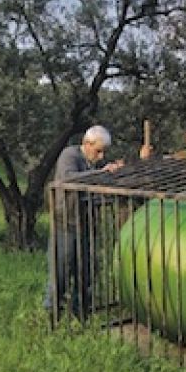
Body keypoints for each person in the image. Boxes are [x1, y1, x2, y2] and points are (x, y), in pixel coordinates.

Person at [44, 125, 123, 317]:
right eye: (98, 151)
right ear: (87, 144)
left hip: (86, 224)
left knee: (86, 273)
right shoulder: (69, 155)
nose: (101, 156)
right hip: (66, 224)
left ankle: (81, 315)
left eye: (104, 152)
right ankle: (51, 316)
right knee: (60, 273)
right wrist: (102, 173)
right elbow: (68, 179)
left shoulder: (92, 163)